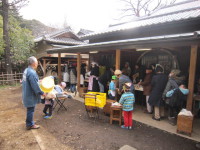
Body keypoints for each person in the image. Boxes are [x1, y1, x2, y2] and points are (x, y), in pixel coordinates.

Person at [22, 56, 45, 130]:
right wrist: (41, 93)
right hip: (30, 94)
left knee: (30, 109)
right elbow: (34, 86)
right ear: (34, 63)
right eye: (37, 62)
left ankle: (29, 122)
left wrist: (39, 81)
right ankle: (30, 124)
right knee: (31, 109)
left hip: (26, 92)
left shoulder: (26, 70)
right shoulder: (32, 72)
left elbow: (31, 82)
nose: (37, 64)